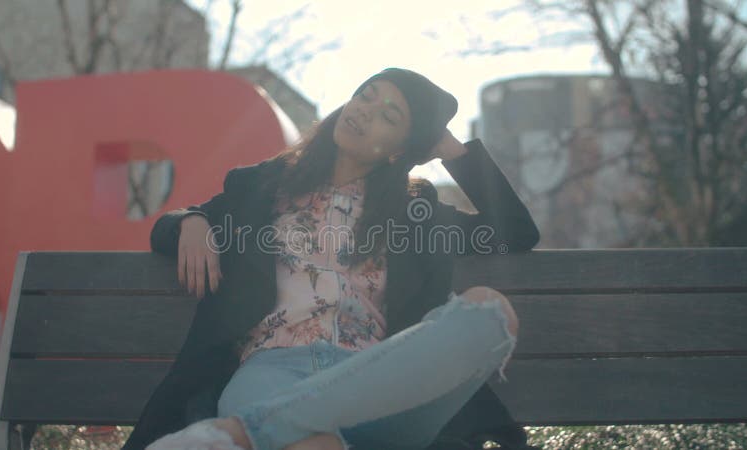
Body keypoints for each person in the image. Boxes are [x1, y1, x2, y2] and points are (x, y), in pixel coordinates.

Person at [125, 67, 542, 450]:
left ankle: (236, 436)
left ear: (401, 150)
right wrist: (192, 221)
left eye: (389, 116)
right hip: (272, 371)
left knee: (488, 311)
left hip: (380, 382)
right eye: (366, 95)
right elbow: (169, 225)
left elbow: (517, 233)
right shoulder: (261, 187)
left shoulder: (418, 216)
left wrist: (453, 152)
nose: (364, 111)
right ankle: (260, 430)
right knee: (315, 445)